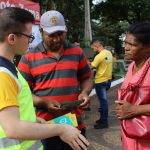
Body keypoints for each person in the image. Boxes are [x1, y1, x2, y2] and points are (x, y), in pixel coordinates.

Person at [0, 7, 89, 150]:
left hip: (52, 126)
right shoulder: (4, 73)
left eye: (61, 33)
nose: (30, 41)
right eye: (29, 37)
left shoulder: (10, 68)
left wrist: (33, 120)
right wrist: (60, 129)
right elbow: (12, 128)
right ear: (12, 38)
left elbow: (18, 104)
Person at [115, 22, 150, 150]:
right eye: (126, 43)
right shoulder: (131, 66)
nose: (126, 48)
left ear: (148, 47)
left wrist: (135, 110)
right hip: (130, 136)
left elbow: (133, 108)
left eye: (132, 44)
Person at [90, 40, 113, 129]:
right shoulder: (108, 53)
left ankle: (104, 122)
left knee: (103, 102)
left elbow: (91, 67)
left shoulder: (99, 56)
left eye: (93, 48)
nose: (93, 49)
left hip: (100, 81)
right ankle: (102, 118)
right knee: (103, 101)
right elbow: (102, 64)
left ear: (96, 46)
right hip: (108, 81)